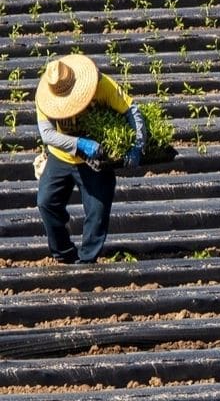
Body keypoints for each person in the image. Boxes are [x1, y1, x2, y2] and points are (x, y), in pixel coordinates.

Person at [35, 54, 146, 264]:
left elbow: (131, 109)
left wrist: (137, 144)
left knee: (97, 210)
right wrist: (79, 144)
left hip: (95, 159)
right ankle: (64, 254)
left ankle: (87, 261)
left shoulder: (100, 84)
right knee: (46, 203)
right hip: (61, 156)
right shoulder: (45, 95)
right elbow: (47, 135)